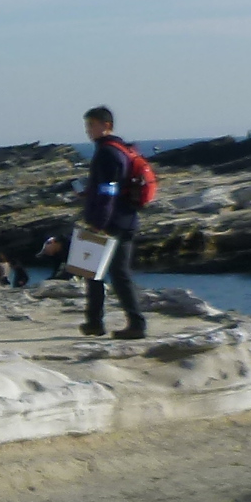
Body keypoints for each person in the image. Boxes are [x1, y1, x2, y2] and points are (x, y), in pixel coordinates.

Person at [79, 104, 147, 338]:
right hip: (126, 218)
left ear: (106, 126)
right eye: (87, 125)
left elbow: (109, 190)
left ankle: (117, 323)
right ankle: (101, 322)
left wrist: (98, 222)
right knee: (113, 273)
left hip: (110, 221)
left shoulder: (107, 152)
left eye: (91, 125)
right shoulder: (122, 149)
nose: (88, 130)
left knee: (97, 272)